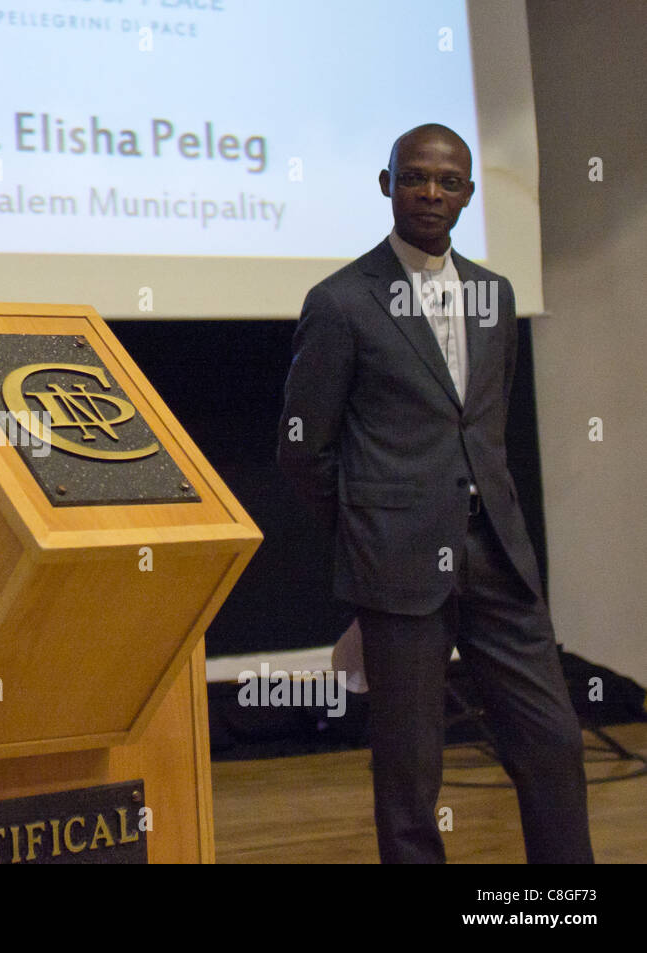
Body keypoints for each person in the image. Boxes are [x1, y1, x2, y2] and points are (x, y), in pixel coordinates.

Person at [276, 123, 593, 863]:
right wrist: (371, 534)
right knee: (411, 775)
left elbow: (482, 431)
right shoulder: (342, 301)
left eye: (448, 182)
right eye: (415, 177)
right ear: (387, 185)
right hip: (399, 566)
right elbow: (302, 450)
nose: (431, 192)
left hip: (497, 558)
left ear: (469, 195)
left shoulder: (495, 293)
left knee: (553, 742)